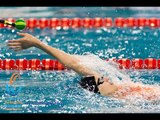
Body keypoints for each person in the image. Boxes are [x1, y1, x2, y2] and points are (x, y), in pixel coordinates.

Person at [7, 32, 160, 101]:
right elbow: (73, 64)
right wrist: (37, 44)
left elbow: (73, 64)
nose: (106, 78)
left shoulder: (113, 91)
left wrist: (38, 43)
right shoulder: (111, 90)